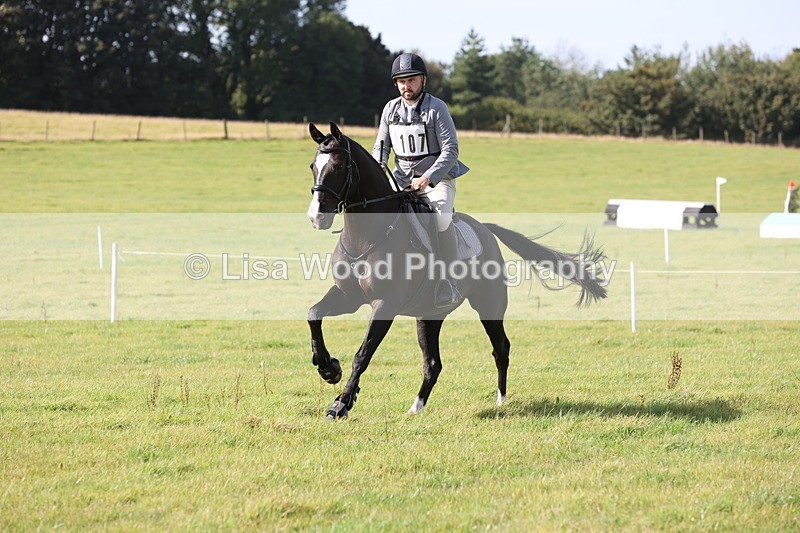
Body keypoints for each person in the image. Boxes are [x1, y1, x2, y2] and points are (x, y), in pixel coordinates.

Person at [372, 52, 469, 307]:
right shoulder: (390, 109)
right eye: (402, 81)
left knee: (440, 219)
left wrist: (428, 177)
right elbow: (381, 147)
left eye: (412, 80)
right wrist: (378, 167)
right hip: (400, 180)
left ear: (423, 80)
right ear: (396, 84)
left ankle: (447, 279)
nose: (407, 86)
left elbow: (451, 151)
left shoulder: (437, 108)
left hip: (437, 179)